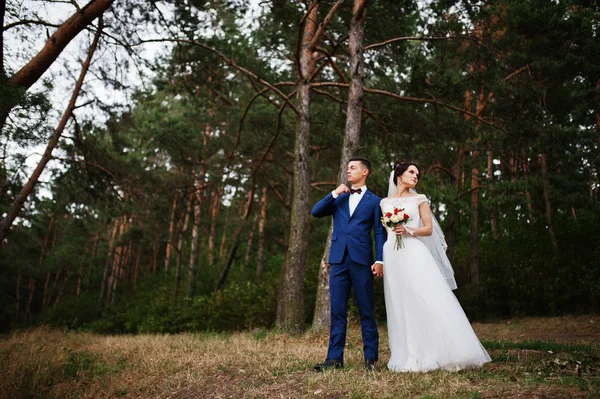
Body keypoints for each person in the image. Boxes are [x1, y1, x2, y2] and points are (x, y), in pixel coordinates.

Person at [380, 160, 491, 372]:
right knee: (401, 303)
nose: (415, 177)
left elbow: (429, 229)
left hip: (414, 252)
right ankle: (409, 353)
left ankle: (443, 351)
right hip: (392, 254)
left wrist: (409, 230)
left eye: (417, 174)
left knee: (425, 297)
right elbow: (386, 231)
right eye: (411, 172)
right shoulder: (384, 202)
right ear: (399, 174)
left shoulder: (419, 199)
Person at [311, 157, 386, 372]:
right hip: (338, 260)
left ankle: (371, 359)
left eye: (353, 168)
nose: (348, 171)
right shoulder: (340, 198)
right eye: (347, 167)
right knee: (337, 311)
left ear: (365, 172)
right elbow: (316, 212)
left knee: (366, 311)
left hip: (362, 261)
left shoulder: (375, 201)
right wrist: (335, 193)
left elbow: (379, 233)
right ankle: (334, 359)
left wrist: (379, 260)